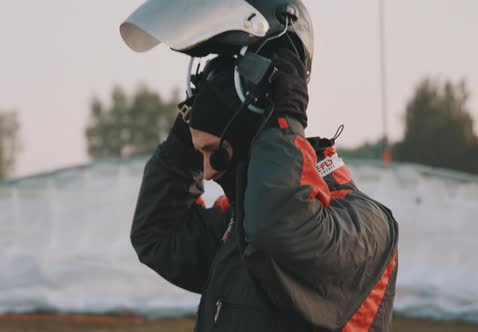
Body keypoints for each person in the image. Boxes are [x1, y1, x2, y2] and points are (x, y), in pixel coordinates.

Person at [121, 0, 399, 331]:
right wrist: (186, 135)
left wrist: (283, 119)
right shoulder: (241, 219)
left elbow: (281, 229)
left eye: (215, 152)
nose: (207, 171)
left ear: (255, 136)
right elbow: (158, 235)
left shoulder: (368, 227)